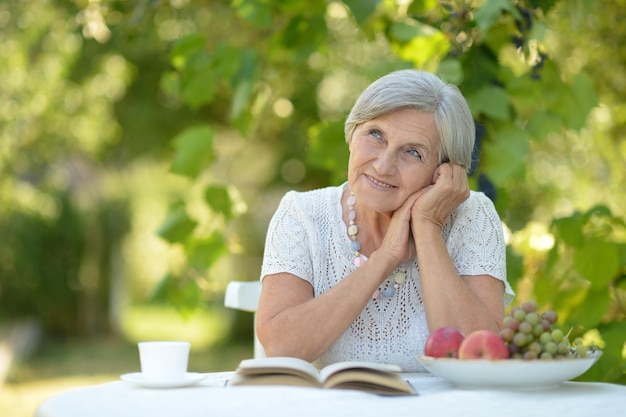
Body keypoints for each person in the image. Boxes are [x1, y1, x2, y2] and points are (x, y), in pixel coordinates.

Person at [255, 69, 514, 371]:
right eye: (376, 135)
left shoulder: (472, 215)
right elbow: (282, 348)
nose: (383, 165)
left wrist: (427, 226)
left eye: (413, 153)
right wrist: (386, 257)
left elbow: (479, 356)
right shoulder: (302, 213)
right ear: (352, 133)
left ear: (443, 173)